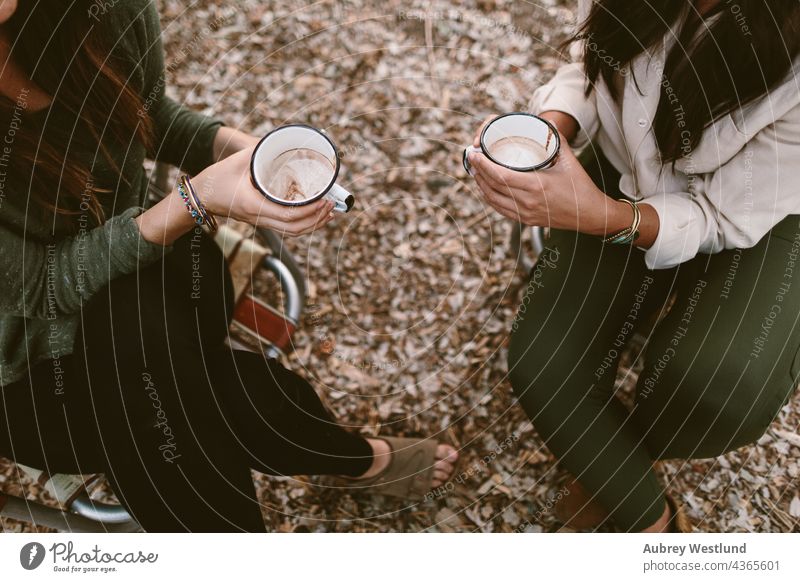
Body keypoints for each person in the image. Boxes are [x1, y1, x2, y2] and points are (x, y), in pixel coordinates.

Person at [0, 0, 456, 532]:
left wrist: (251, 156)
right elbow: (41, 285)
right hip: (32, 368)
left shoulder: (96, 10)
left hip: (155, 279)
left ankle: (347, 459)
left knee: (157, 365)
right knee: (184, 408)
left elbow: (148, 115)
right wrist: (195, 201)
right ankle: (353, 457)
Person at [469, 0, 800, 532]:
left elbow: (722, 217)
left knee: (721, 385)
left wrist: (601, 217)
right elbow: (589, 62)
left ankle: (627, 465)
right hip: (620, 172)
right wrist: (550, 128)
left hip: (763, 210)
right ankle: (650, 517)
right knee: (544, 365)